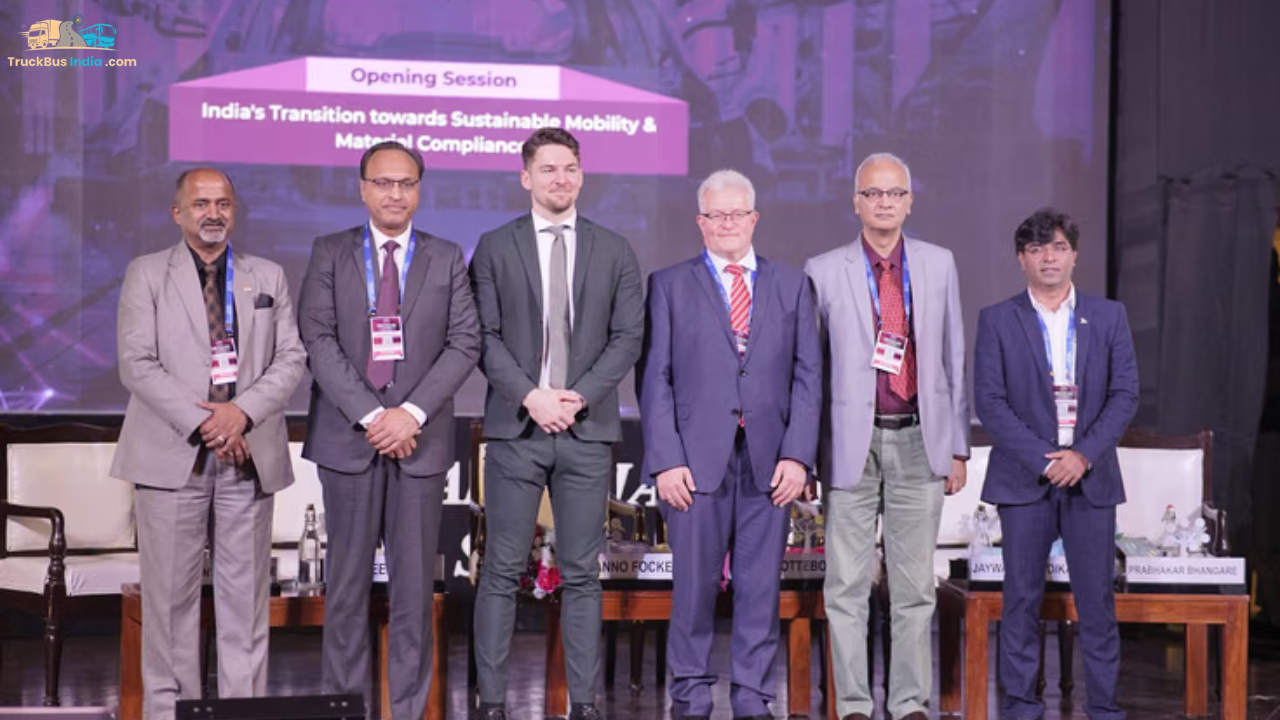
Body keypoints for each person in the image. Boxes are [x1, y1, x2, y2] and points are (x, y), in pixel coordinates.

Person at [111, 168, 306, 720]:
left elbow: (290, 358)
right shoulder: (147, 273)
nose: (213, 213)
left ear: (234, 212)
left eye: (223, 203)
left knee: (245, 606)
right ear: (178, 213)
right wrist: (210, 425)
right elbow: (137, 364)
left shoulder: (267, 275)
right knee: (170, 608)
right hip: (173, 458)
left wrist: (240, 414)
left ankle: (243, 714)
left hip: (248, 458)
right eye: (200, 204)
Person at [297, 141, 480, 719]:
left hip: (419, 445)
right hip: (348, 442)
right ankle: (344, 710)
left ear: (419, 190)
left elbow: (465, 342)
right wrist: (375, 417)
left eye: (406, 183)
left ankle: (407, 712)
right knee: (346, 592)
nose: (395, 193)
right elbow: (317, 339)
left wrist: (411, 414)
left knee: (413, 596)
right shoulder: (330, 252)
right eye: (383, 182)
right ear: (363, 189)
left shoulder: (447, 257)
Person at [469, 127, 645, 720]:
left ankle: (584, 704)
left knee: (582, 574)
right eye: (548, 169)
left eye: (569, 168)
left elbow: (627, 338)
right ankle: (492, 704)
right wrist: (531, 396)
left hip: (586, 431)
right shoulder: (495, 246)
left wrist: (577, 397)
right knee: (500, 571)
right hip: (516, 431)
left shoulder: (614, 248)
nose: (560, 178)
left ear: (582, 175)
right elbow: (483, 337)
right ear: (526, 178)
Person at [639, 169, 821, 720]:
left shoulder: (792, 285)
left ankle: (752, 698)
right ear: (700, 222)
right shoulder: (669, 284)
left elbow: (808, 377)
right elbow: (655, 379)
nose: (727, 224)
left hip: (771, 464)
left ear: (754, 218)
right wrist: (666, 461)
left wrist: (798, 456)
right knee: (693, 590)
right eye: (716, 215)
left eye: (736, 213)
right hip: (694, 466)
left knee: (760, 590)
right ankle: (691, 696)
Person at [805, 153, 970, 720]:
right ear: (856, 202)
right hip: (849, 445)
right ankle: (852, 704)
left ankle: (908, 704)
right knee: (845, 586)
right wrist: (807, 456)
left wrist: (958, 446)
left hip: (920, 440)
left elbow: (953, 356)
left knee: (914, 588)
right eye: (872, 193)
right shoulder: (822, 270)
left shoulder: (938, 263)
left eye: (894, 193)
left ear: (909, 202)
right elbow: (810, 371)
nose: (883, 202)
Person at [975, 208, 1138, 720]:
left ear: (1075, 255)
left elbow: (1125, 394)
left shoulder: (1108, 316)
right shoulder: (997, 319)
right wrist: (1046, 462)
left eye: (1059, 247)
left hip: (1091, 478)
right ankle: (1022, 706)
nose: (1049, 257)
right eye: (1037, 249)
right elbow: (990, 403)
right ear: (1021, 259)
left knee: (1097, 601)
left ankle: (1104, 707)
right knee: (1021, 599)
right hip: (1024, 479)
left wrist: (1082, 455)